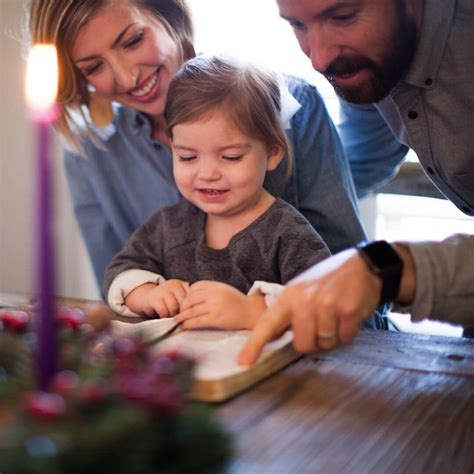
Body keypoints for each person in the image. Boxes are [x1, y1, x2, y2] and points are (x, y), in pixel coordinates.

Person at [28, 0, 366, 294]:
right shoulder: (91, 154)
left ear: (168, 13)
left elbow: (350, 289)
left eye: (132, 41)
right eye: (94, 67)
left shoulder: (292, 107)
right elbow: (116, 288)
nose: (127, 77)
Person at [238, 0, 474, 364]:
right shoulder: (369, 63)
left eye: (343, 17)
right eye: (297, 26)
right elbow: (364, 157)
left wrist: (387, 270)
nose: (318, 58)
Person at [104, 55, 330, 330]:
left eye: (231, 157)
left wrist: (252, 312)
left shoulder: (288, 232)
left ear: (272, 153)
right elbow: (121, 269)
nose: (207, 173)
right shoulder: (170, 224)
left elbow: (324, 302)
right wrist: (148, 293)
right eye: (187, 157)